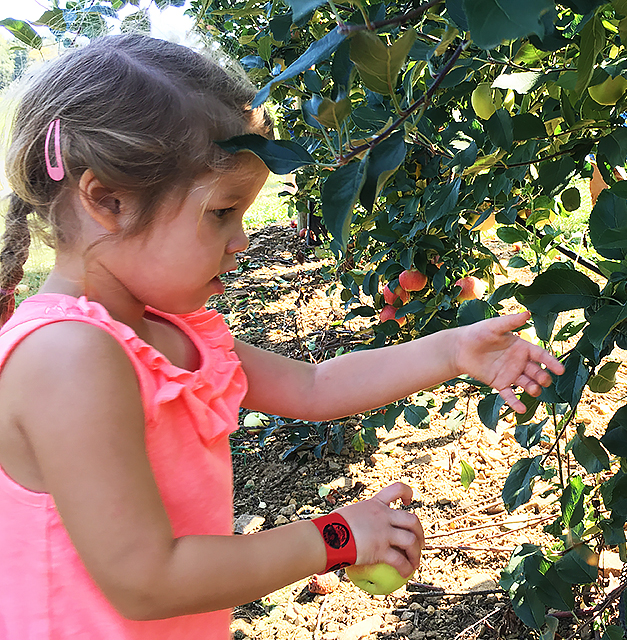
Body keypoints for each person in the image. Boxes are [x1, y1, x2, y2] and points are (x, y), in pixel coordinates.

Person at [0, 34, 564, 639]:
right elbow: (145, 578)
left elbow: (313, 386)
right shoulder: (68, 357)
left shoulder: (168, 328)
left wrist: (452, 350)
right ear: (107, 200)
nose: (242, 240)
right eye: (222, 212)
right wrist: (336, 538)